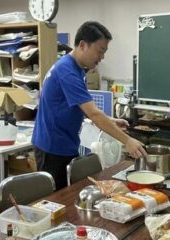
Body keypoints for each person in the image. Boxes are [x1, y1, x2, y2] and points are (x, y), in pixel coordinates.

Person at [32, 21, 147, 189]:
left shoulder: (78, 69)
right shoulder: (67, 71)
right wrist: (127, 141)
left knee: (68, 193)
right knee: (55, 200)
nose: (102, 57)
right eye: (100, 50)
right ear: (83, 45)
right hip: (52, 147)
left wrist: (110, 120)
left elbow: (82, 107)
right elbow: (93, 113)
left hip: (65, 142)